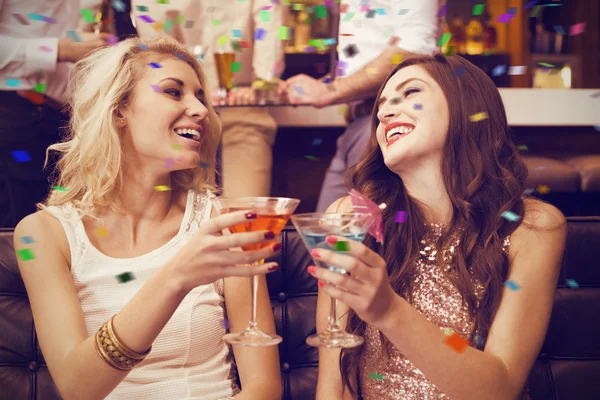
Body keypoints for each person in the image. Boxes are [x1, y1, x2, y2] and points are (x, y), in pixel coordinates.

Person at [13, 36, 282, 400]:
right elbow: (78, 388)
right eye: (174, 92)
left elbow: (263, 387)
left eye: (200, 97)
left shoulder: (225, 222)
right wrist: (175, 277)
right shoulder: (43, 235)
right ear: (119, 109)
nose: (200, 110)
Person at [309, 54, 566, 399]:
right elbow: (333, 387)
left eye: (410, 92)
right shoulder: (351, 216)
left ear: (467, 106)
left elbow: (499, 389)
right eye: (382, 104)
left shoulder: (531, 227)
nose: (384, 112)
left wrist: (388, 310)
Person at [283, 0, 443, 212]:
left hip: (386, 123)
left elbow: (415, 47)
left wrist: (330, 91)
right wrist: (320, 86)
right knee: (326, 235)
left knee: (357, 238)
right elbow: (364, 58)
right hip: (357, 124)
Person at [133, 0, 285, 197]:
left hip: (242, 108)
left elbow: (270, 15)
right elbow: (154, 53)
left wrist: (264, 83)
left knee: (245, 215)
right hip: (177, 119)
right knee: (179, 214)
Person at [0, 0, 112, 227]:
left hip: (74, 119)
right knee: (17, 236)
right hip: (15, 114)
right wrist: (59, 49)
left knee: (61, 229)